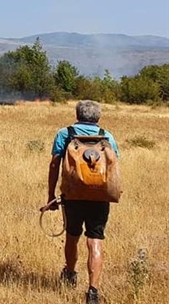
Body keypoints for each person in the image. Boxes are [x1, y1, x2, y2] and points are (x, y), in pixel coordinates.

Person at [46, 100, 121, 304]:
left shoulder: (65, 133)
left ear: (77, 114)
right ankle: (93, 291)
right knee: (95, 239)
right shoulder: (107, 136)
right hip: (100, 196)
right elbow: (115, 165)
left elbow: (54, 165)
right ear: (98, 117)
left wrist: (51, 195)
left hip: (73, 195)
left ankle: (70, 273)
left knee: (72, 236)